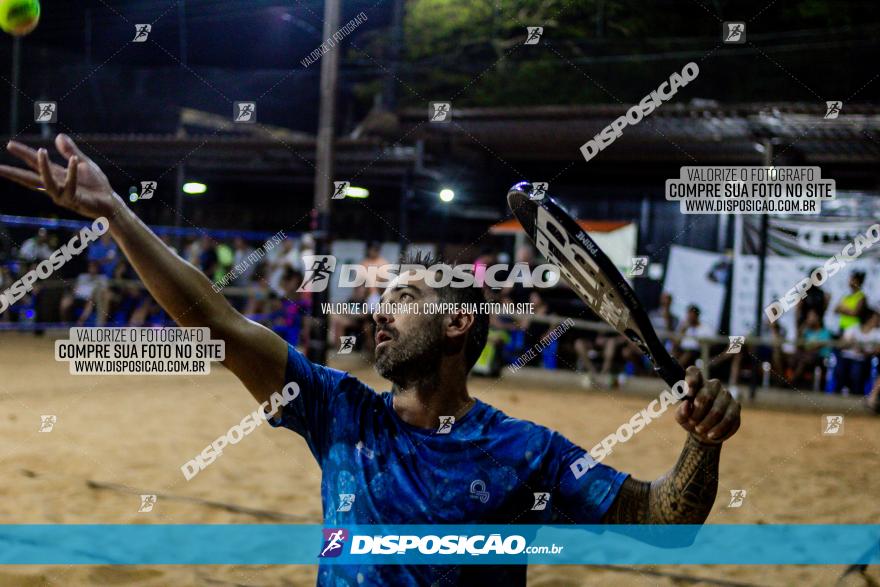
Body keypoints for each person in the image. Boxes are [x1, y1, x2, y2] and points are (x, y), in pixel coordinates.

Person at [0, 135, 742, 586]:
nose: (376, 309)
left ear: (458, 319)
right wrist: (117, 214)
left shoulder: (528, 452)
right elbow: (210, 318)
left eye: (404, 294)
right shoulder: (338, 410)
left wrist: (702, 444)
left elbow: (663, 519)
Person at [834, 306, 880, 396]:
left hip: (863, 360)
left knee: (856, 370)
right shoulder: (853, 328)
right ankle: (838, 393)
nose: (877, 321)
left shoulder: (877, 333)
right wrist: (848, 343)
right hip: (846, 357)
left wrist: (864, 352)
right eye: (875, 319)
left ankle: (856, 394)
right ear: (868, 319)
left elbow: (877, 350)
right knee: (840, 369)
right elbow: (840, 345)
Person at [835, 270, 867, 334]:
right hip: (842, 327)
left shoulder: (861, 296)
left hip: (853, 328)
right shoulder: (846, 296)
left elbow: (855, 313)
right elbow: (836, 309)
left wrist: (843, 309)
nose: (850, 281)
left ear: (858, 281)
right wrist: (848, 310)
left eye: (853, 279)